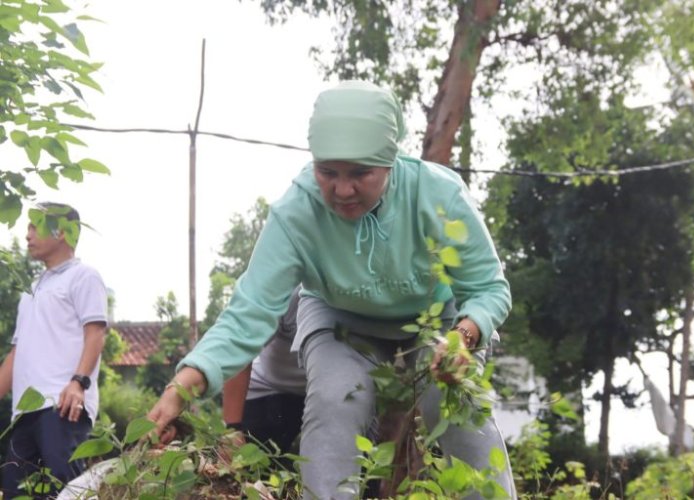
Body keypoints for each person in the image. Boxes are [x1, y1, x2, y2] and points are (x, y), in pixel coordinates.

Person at [148, 80, 516, 499]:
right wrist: (181, 386)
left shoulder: (439, 196)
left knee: (453, 407)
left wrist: (464, 335)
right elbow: (248, 313)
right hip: (339, 318)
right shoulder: (297, 211)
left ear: (390, 162)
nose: (342, 190)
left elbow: (489, 288)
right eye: (328, 173)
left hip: (438, 322)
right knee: (334, 401)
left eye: (361, 173)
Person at [0, 203, 108, 498]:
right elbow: (16, 353)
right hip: (23, 412)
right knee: (14, 491)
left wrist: (79, 383)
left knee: (67, 490)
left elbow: (96, 333)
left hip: (62, 406)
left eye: (34, 227)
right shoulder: (31, 288)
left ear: (60, 232)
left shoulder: (83, 276)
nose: (27, 236)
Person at [221, 286, 306, 455]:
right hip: (270, 386)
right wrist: (232, 429)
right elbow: (241, 348)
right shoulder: (284, 287)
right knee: (250, 466)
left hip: (325, 394)